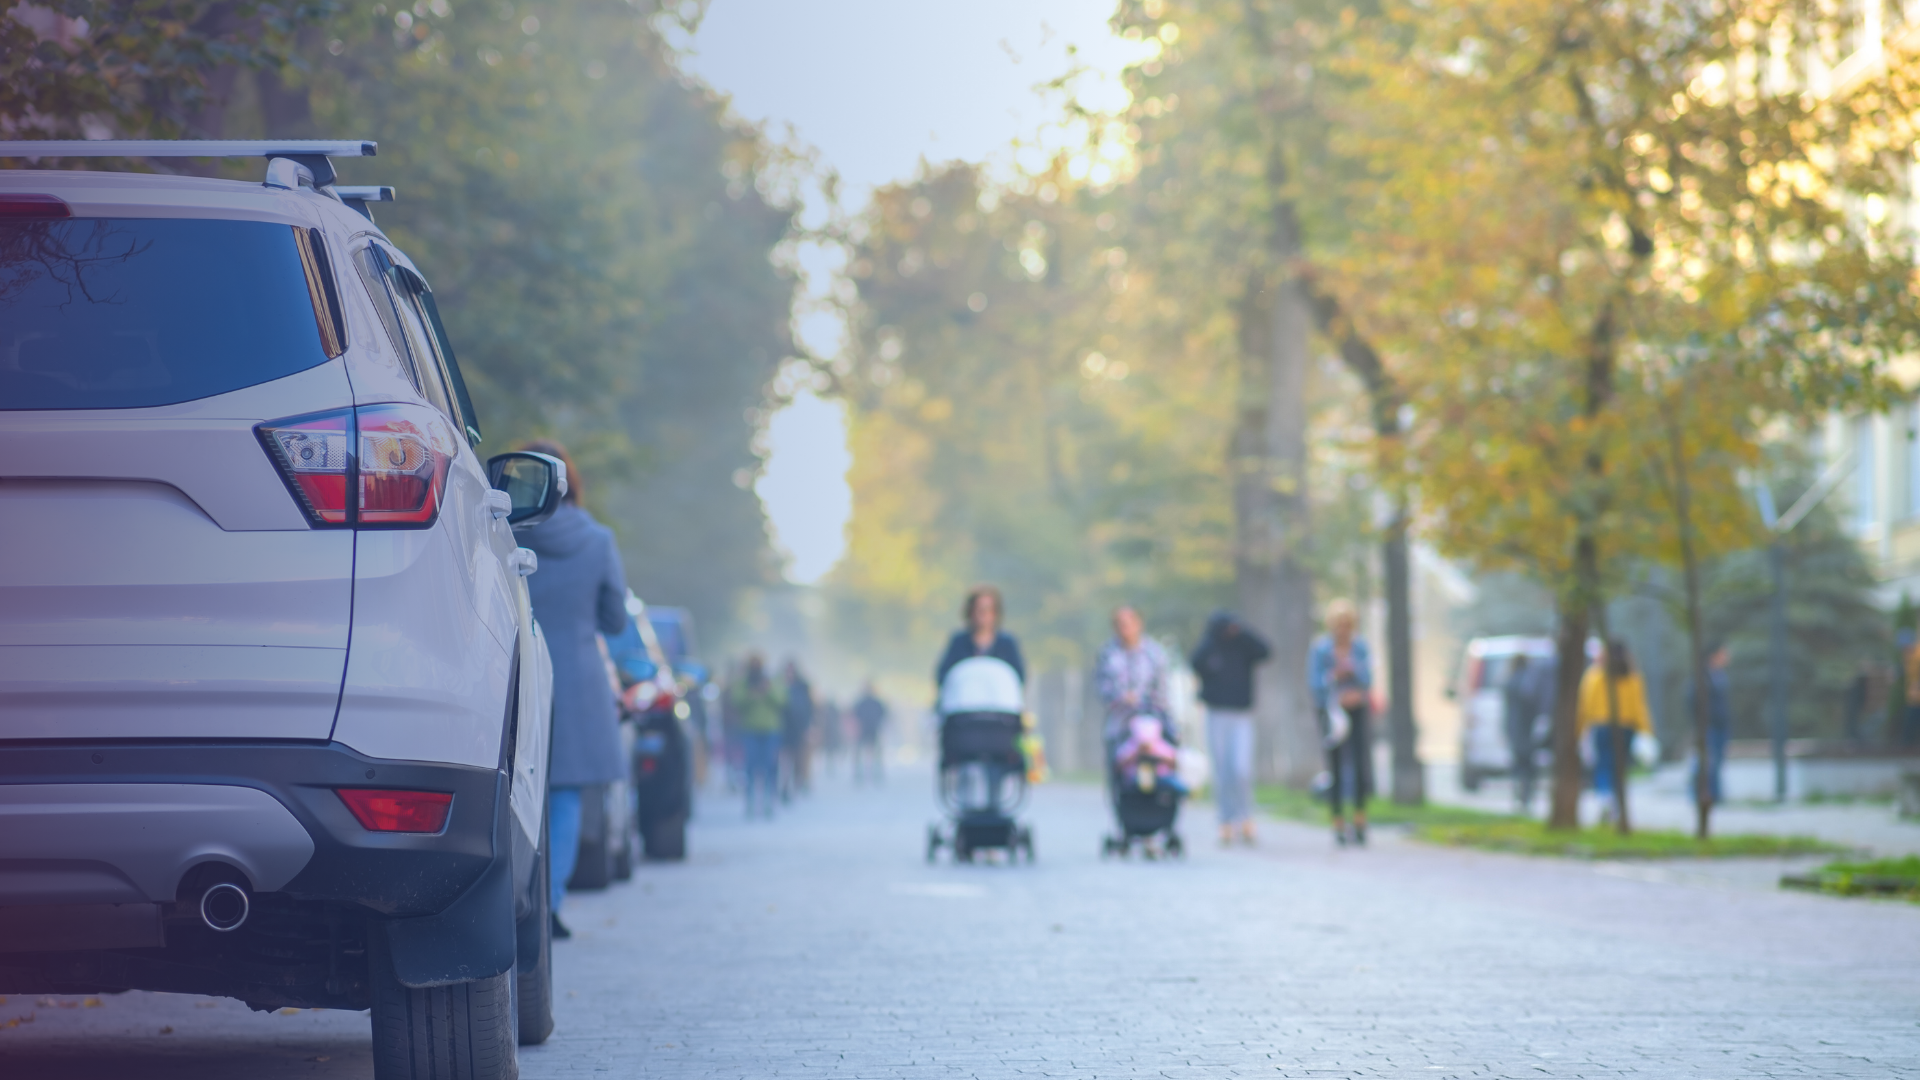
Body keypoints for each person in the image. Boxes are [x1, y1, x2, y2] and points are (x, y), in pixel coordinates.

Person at [515, 440, 628, 940]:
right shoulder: (599, 539)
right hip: (578, 683)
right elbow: (616, 618)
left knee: (515, 795)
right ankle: (550, 905)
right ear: (574, 485)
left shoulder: (507, 532)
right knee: (563, 799)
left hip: (517, 671)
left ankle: (515, 903)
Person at [1189, 610, 1270, 846]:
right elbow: (1195, 662)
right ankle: (1225, 821)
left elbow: (1265, 651)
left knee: (1241, 769)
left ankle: (1246, 818)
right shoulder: (1210, 646)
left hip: (1241, 715)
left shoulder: (1243, 645)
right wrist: (1212, 636)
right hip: (1216, 714)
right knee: (1223, 771)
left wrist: (1243, 632)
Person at [1309, 599, 1373, 847]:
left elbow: (1368, 678)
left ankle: (1359, 819)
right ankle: (1337, 821)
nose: (1343, 629)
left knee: (1359, 765)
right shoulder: (1321, 649)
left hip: (1356, 709)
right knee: (1334, 767)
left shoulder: (1360, 648)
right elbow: (1314, 683)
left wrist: (1355, 678)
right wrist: (1333, 681)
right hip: (1331, 711)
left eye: (1347, 624)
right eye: (1338, 624)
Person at [1577, 639, 1653, 823]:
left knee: (1603, 764)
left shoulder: (1595, 676)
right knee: (1619, 767)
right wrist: (1647, 731)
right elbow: (1639, 708)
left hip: (1602, 726)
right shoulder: (1633, 677)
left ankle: (1605, 799)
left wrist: (1579, 730)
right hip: (1626, 727)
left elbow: (1585, 705)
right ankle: (1617, 803)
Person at [1095, 606, 1172, 744]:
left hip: (1152, 723)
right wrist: (1121, 697)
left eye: (1128, 624)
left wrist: (1145, 700)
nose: (1124, 628)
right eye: (1119, 624)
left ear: (1138, 624)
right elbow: (1102, 686)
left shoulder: (1154, 653)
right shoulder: (1107, 653)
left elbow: (1162, 687)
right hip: (1119, 725)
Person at [936, 584, 1025, 690]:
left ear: (995, 613)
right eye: (978, 609)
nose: (983, 614)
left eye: (987, 610)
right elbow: (943, 676)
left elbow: (1018, 678)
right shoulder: (958, 642)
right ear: (970, 612)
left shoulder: (1007, 644)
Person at [729, 654, 785, 818]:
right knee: (750, 767)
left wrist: (767, 690)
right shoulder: (743, 682)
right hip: (749, 730)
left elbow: (782, 701)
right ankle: (750, 803)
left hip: (771, 730)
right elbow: (736, 701)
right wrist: (752, 695)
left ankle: (769, 803)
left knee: (770, 767)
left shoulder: (771, 681)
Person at [1502, 653, 1554, 813]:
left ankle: (1519, 796)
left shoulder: (1509, 681)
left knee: (1518, 764)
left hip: (1514, 728)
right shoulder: (1531, 680)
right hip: (1528, 727)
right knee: (1529, 765)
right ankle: (1526, 797)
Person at [1685, 643, 1732, 805]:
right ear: (1714, 655)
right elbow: (1692, 700)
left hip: (1720, 725)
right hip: (1707, 726)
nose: (1727, 656)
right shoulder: (1702, 676)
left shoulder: (1720, 675)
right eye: (1723, 653)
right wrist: (1700, 723)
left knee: (1717, 761)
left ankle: (1715, 795)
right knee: (1705, 761)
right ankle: (1699, 794)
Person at [780, 661, 815, 801]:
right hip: (783, 729)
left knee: (800, 759)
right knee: (785, 760)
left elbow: (809, 708)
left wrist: (809, 727)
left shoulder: (803, 687)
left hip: (800, 729)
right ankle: (785, 786)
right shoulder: (779, 687)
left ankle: (799, 783)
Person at [852, 682, 889, 784]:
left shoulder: (872, 702)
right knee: (861, 752)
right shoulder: (865, 702)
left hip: (871, 729)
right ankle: (860, 772)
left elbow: (883, 714)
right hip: (866, 729)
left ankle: (875, 771)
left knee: (876, 752)